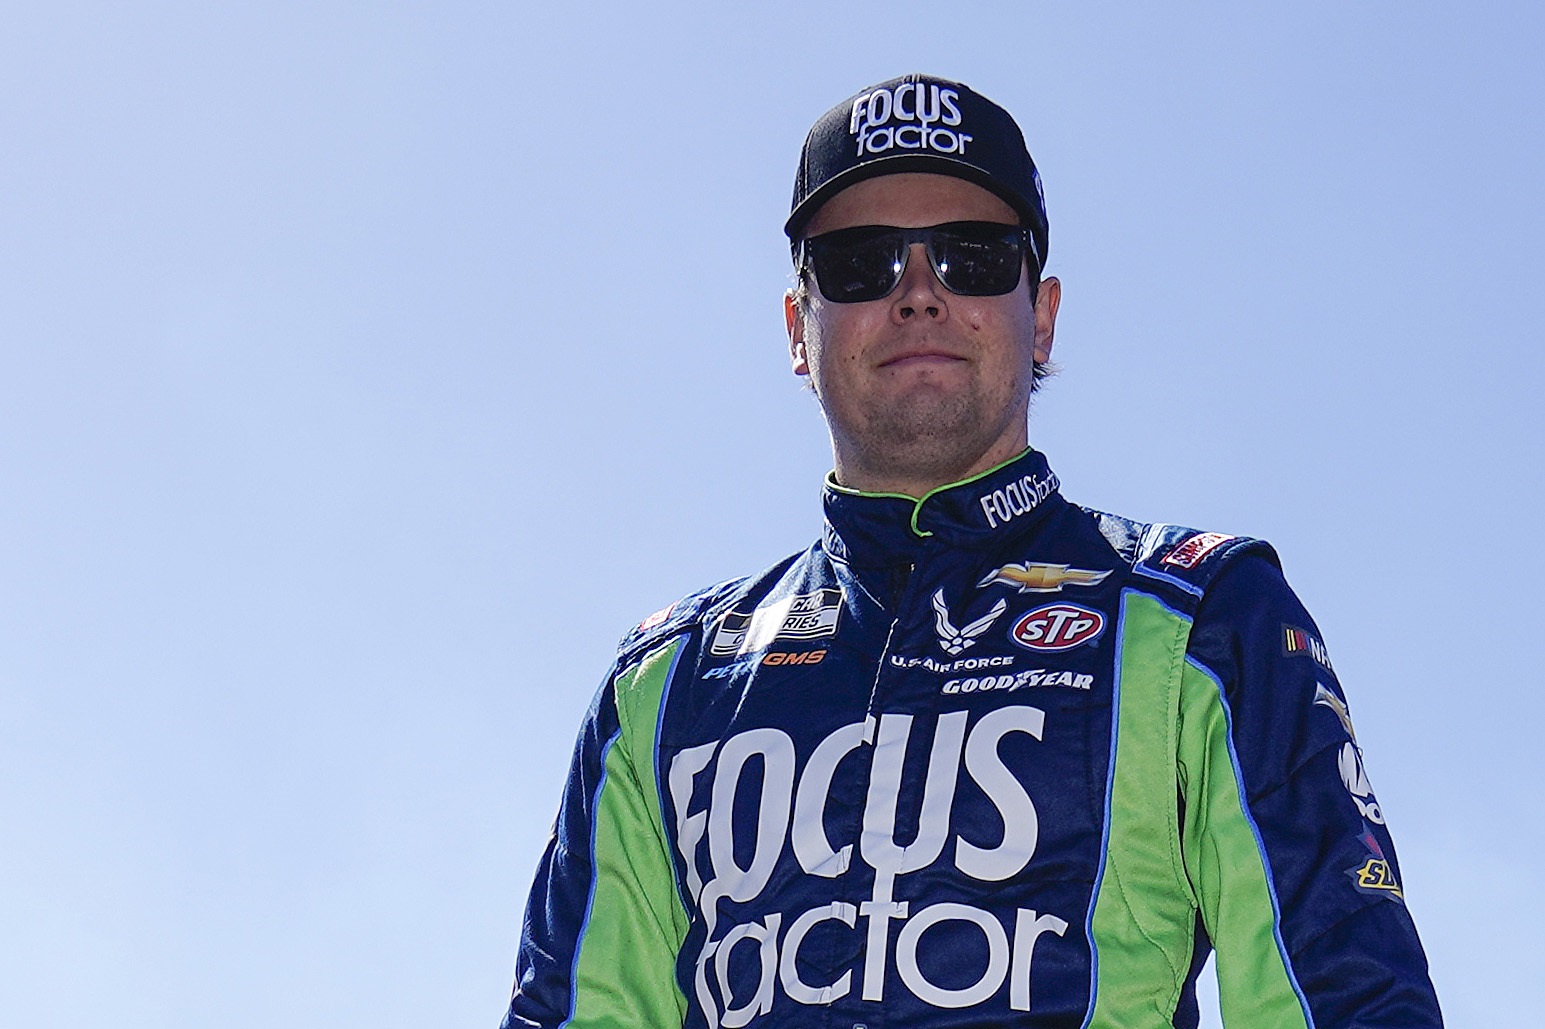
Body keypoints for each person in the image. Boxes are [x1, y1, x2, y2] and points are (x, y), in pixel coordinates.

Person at [500, 74, 1443, 1029]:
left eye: (973, 256)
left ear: (1041, 314)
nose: (918, 293)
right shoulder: (664, 681)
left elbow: (1345, 998)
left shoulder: (1203, 617)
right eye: (861, 263)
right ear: (798, 326)